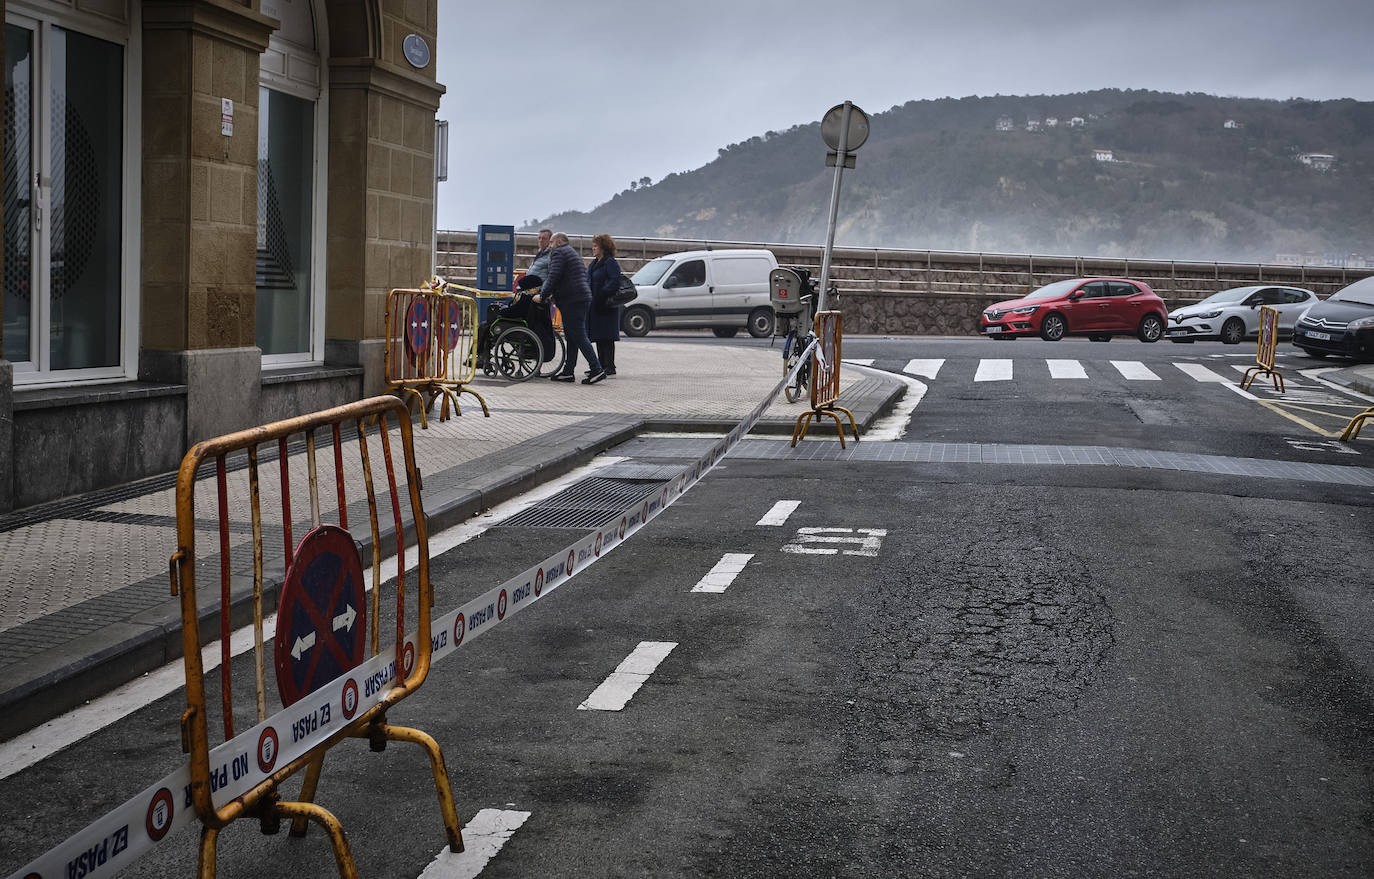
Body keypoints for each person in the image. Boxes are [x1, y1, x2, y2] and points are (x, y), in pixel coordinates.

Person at [536, 233, 605, 384]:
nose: (550, 245)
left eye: (552, 242)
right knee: (572, 337)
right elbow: (564, 277)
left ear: (559, 242)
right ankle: (568, 371)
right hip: (578, 298)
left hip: (573, 300)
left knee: (578, 335)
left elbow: (554, 276)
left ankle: (596, 368)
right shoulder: (570, 251)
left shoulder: (559, 252)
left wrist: (542, 295)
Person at [586, 233, 622, 377]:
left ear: (603, 247)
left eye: (595, 246)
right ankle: (601, 365)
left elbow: (615, 281)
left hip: (606, 304)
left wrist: (601, 293)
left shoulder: (610, 262)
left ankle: (610, 366)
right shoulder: (595, 263)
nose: (593, 248)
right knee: (599, 336)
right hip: (595, 304)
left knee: (607, 336)